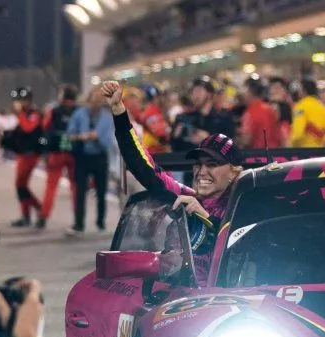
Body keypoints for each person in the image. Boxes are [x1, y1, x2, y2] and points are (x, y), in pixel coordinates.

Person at [98, 82, 243, 274]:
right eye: (198, 164)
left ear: (234, 172)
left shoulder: (244, 208)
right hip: (180, 299)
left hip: (226, 300)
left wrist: (207, 218)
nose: (201, 171)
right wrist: (119, 111)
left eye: (212, 165)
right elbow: (144, 169)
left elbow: (243, 255)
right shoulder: (185, 198)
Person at [66, 89, 117, 234]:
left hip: (100, 156)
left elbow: (107, 140)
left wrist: (96, 137)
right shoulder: (79, 114)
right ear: (89, 100)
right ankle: (78, 223)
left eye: (99, 99)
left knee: (101, 192)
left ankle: (100, 221)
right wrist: (81, 137)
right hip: (83, 156)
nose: (96, 102)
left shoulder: (107, 117)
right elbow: (70, 133)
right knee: (80, 190)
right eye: (94, 99)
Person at [35, 86, 79, 229]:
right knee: (75, 186)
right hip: (74, 152)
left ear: (62, 96)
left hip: (55, 153)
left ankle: (43, 216)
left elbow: (44, 126)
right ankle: (78, 218)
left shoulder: (54, 111)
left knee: (51, 186)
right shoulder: (79, 111)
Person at [6, 87, 48, 225]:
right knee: (21, 185)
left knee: (21, 186)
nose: (18, 103)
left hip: (30, 154)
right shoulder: (23, 113)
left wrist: (20, 114)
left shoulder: (33, 113)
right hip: (22, 154)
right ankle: (26, 216)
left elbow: (28, 128)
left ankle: (38, 209)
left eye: (21, 100)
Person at [240, 73, 288, 148]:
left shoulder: (249, 113)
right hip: (276, 154)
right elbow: (281, 136)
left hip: (256, 155)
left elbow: (246, 140)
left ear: (249, 93)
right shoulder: (271, 109)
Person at [290, 76, 325, 148]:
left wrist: (291, 147)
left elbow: (298, 133)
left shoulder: (300, 106)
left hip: (305, 152)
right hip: (322, 151)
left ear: (304, 91)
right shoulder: (323, 107)